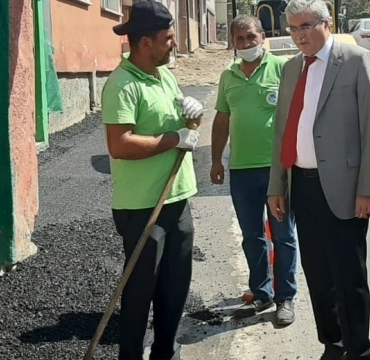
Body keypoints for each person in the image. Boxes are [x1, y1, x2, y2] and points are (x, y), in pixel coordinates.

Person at [267, 0, 370, 359]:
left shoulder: (356, 61)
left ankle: (358, 349)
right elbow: (283, 132)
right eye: (293, 28)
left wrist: (368, 187)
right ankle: (332, 342)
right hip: (301, 185)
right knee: (317, 274)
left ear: (327, 23)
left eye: (306, 26)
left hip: (344, 189)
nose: (299, 35)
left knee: (348, 275)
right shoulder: (291, 69)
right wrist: (278, 185)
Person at [101, 2, 205, 359]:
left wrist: (193, 112)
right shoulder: (122, 84)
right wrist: (174, 139)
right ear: (145, 42)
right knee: (140, 291)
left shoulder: (165, 75)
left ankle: (165, 351)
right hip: (141, 205)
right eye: (168, 38)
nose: (173, 44)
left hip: (177, 198)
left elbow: (182, 122)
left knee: (174, 288)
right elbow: (119, 144)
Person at [210, 15, 298, 326]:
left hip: (278, 170)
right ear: (232, 42)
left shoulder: (282, 69)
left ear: (262, 37)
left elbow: (297, 115)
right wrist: (216, 159)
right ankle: (261, 293)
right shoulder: (228, 75)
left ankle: (285, 297)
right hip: (242, 170)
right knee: (252, 235)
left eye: (251, 37)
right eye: (240, 39)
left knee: (284, 234)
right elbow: (222, 120)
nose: (246, 44)